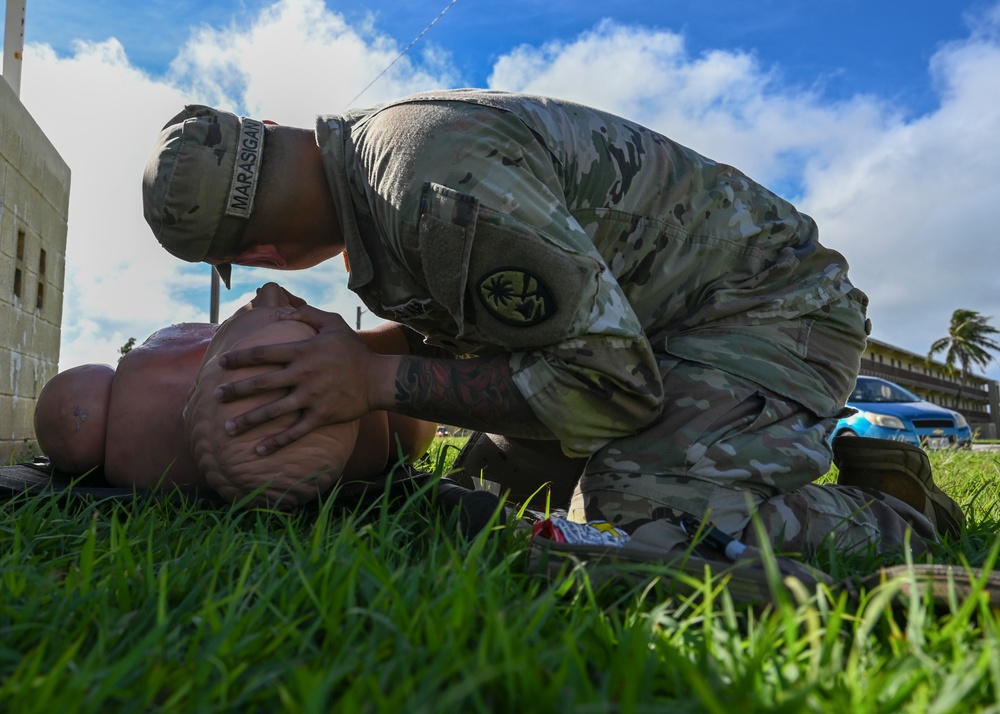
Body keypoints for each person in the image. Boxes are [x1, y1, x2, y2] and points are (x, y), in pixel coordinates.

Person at [140, 90, 963, 554]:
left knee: (633, 530)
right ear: (277, 132)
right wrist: (350, 358)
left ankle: (891, 510)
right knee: (484, 509)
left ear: (270, 253)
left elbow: (610, 386)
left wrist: (370, 379)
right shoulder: (374, 174)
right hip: (652, 329)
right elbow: (476, 336)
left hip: (767, 318)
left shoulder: (433, 192)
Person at [34, 283, 435, 505]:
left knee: (72, 410)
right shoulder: (381, 442)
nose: (272, 291)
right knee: (411, 422)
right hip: (384, 422)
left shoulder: (131, 400)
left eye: (276, 315)